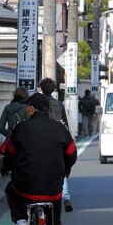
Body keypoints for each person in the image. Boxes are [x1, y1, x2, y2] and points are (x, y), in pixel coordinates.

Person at [3, 92, 77, 225]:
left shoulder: (21, 128)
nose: (25, 110)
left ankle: (21, 222)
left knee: (11, 190)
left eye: (27, 107)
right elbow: (71, 153)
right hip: (53, 188)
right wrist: (64, 172)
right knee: (55, 222)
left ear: (32, 108)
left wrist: (8, 168)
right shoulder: (59, 129)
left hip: (25, 186)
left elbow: (10, 153)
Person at [38, 77, 73, 211]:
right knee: (60, 169)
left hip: (41, 140)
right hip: (58, 139)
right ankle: (66, 197)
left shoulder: (37, 103)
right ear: (53, 89)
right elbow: (65, 123)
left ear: (41, 88)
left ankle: (42, 196)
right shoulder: (59, 104)